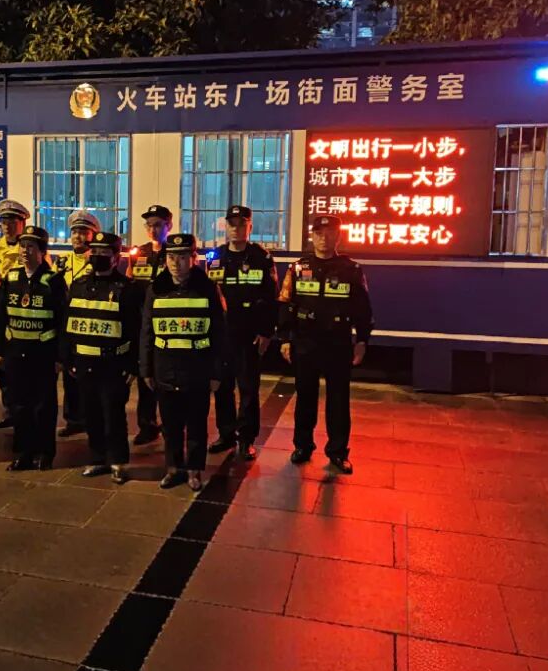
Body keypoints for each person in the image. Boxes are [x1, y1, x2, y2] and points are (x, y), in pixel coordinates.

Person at [278, 214, 373, 475]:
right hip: (305, 341)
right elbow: (285, 304)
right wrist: (285, 338)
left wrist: (362, 340)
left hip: (338, 342)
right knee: (305, 397)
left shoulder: (351, 270)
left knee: (339, 400)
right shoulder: (298, 268)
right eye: (319, 233)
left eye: (330, 233)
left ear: (338, 236)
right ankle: (303, 446)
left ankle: (338, 452)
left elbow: (363, 309)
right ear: (312, 236)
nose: (323, 238)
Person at [140, 233, 225, 492]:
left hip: (197, 369)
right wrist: (146, 369)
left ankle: (194, 470)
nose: (176, 263)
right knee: (170, 424)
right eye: (171, 257)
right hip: (165, 368)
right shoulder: (156, 289)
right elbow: (147, 332)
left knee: (197, 425)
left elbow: (219, 333)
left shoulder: (208, 289)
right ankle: (174, 468)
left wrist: (217, 372)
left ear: (193, 258)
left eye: (182, 257)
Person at [66, 232, 140, 484]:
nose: (97, 256)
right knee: (91, 414)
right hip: (84, 362)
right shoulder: (78, 285)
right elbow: (69, 324)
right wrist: (69, 358)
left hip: (113, 364)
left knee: (114, 415)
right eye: (94, 252)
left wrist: (132, 365)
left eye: (104, 252)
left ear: (116, 257)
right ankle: (97, 458)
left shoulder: (127, 289)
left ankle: (118, 461)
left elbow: (135, 330)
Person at [205, 205, 278, 461]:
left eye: (241, 224)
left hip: (249, 334)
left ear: (250, 227)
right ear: (226, 227)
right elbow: (209, 297)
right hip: (222, 334)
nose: (236, 229)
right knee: (222, 387)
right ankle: (226, 434)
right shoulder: (215, 256)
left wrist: (266, 332)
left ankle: (246, 438)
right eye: (232, 224)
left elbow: (271, 297)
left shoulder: (261, 257)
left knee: (248, 389)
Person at [0, 225, 67, 470]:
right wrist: (0, 351)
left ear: (42, 251)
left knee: (43, 407)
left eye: (31, 247)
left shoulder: (53, 281)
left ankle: (44, 453)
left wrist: (60, 357)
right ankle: (22, 453)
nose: (25, 251)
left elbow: (62, 321)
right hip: (16, 353)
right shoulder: (11, 278)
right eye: (22, 246)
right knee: (19, 406)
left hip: (43, 355)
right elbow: (1, 317)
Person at [126, 204, 172, 444]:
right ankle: (147, 425)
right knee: (145, 376)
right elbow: (130, 283)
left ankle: (170, 424)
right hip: (142, 324)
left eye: (158, 225)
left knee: (166, 376)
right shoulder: (139, 253)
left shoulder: (175, 252)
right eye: (149, 225)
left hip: (167, 323)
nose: (153, 230)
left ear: (168, 226)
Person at [54, 209, 100, 438]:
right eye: (74, 232)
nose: (78, 237)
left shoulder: (96, 261)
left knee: (89, 375)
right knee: (68, 371)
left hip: (89, 322)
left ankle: (91, 418)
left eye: (83, 232)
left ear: (92, 235)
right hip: (66, 322)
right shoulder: (62, 261)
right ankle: (73, 419)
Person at [0, 198, 30, 429]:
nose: (7, 226)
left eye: (12, 221)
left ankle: (24, 409)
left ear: (22, 223)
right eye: (4, 222)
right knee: (1, 363)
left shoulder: (30, 249)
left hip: (23, 313)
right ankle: (9, 409)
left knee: (23, 367)